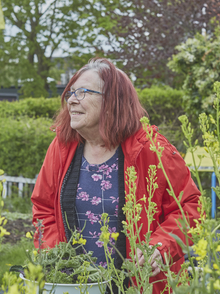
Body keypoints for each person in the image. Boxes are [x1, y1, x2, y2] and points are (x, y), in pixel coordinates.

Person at [31, 57, 201, 293]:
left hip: (141, 285)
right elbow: (43, 208)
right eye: (70, 92)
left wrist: (161, 247)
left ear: (112, 101)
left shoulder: (152, 148)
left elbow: (190, 207)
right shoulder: (62, 147)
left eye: (82, 92)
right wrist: (55, 256)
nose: (71, 100)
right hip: (75, 285)